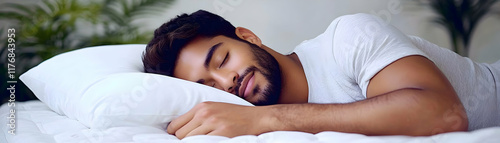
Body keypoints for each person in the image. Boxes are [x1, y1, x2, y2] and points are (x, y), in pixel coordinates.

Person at [142, 10, 500, 139]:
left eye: (221, 60)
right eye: (206, 86)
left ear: (248, 37)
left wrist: (266, 119)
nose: (226, 83)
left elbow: (444, 114)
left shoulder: (348, 37)